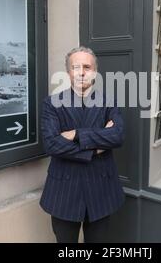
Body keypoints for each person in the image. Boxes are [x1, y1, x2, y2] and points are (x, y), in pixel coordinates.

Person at [40, 47, 125, 243]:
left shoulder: (108, 102)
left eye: (87, 67)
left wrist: (77, 134)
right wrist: (96, 147)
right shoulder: (52, 104)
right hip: (64, 190)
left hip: (101, 188)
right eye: (75, 67)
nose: (81, 72)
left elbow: (117, 136)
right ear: (68, 71)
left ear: (95, 71)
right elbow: (52, 144)